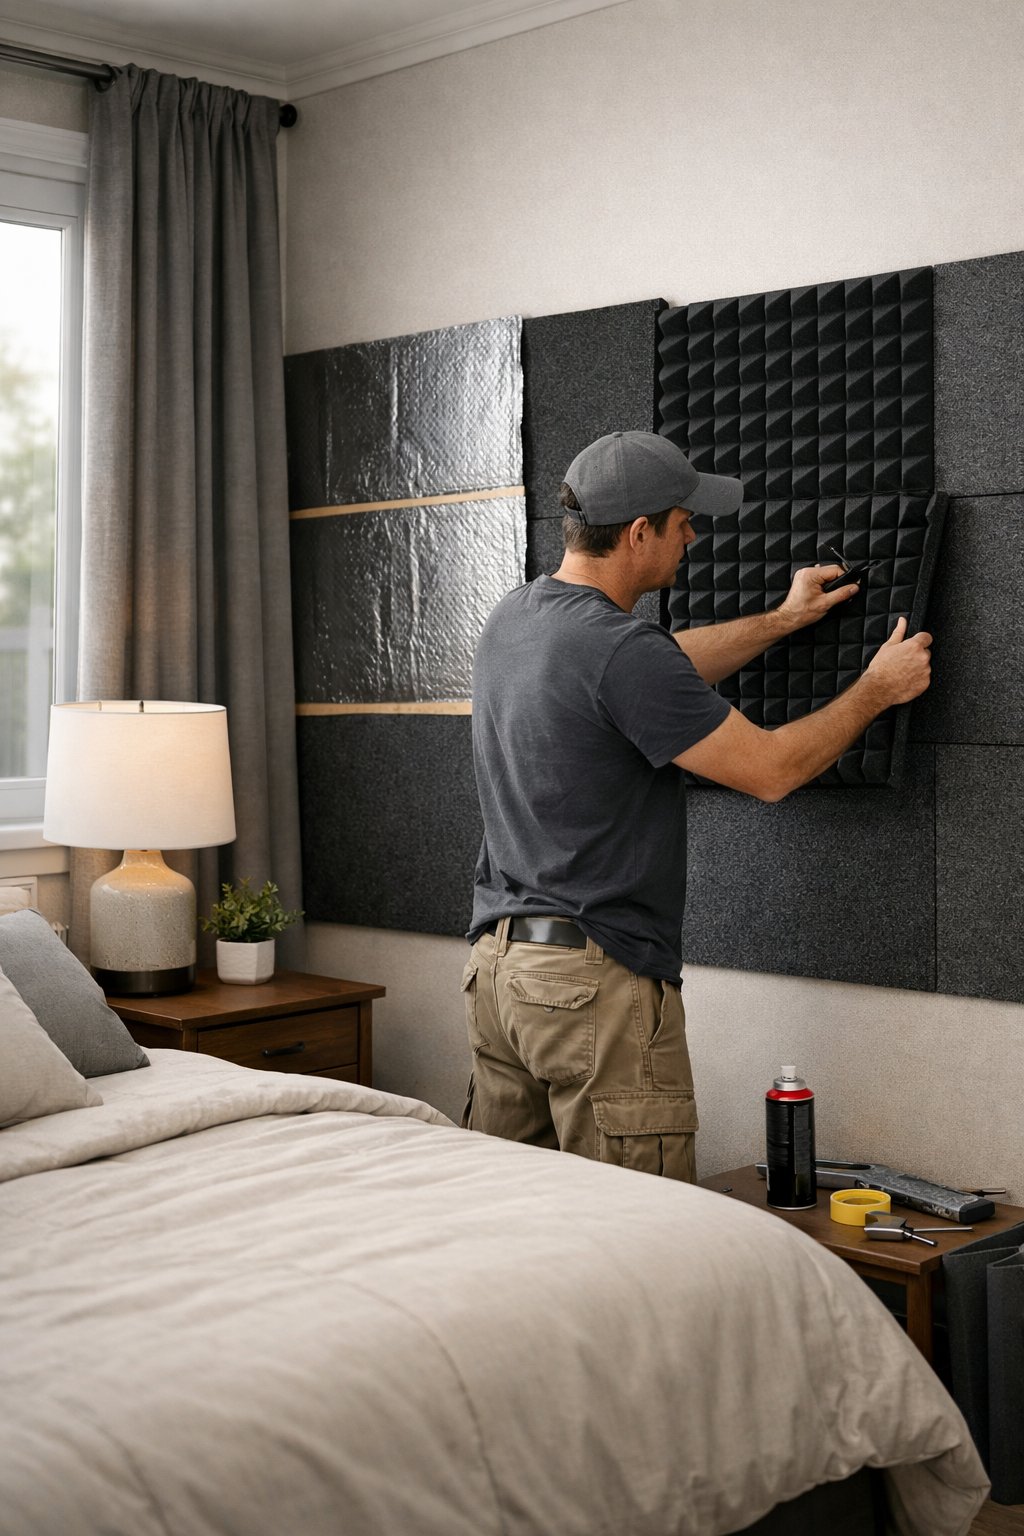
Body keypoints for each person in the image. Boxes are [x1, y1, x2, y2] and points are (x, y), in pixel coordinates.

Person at [460, 430, 932, 1181]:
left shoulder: (515, 619)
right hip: (592, 983)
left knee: (520, 1227)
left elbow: (658, 669)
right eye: (684, 522)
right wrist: (877, 689)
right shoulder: (619, 651)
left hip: (502, 976)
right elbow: (772, 771)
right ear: (639, 531)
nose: (693, 536)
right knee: (641, 1238)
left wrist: (784, 620)